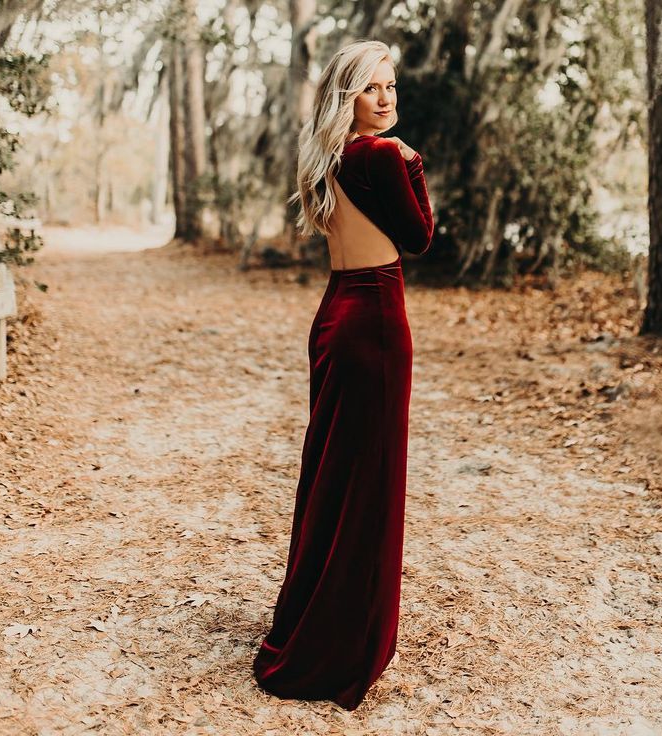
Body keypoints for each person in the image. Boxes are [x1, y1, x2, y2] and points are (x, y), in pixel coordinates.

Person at [252, 39, 434, 711]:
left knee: (333, 472)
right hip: (377, 320)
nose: (386, 98)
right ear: (346, 97)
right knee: (369, 480)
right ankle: (343, 639)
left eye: (391, 86)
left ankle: (312, 616)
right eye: (371, 89)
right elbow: (418, 238)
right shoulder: (386, 156)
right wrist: (412, 162)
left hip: (335, 315)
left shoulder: (329, 156)